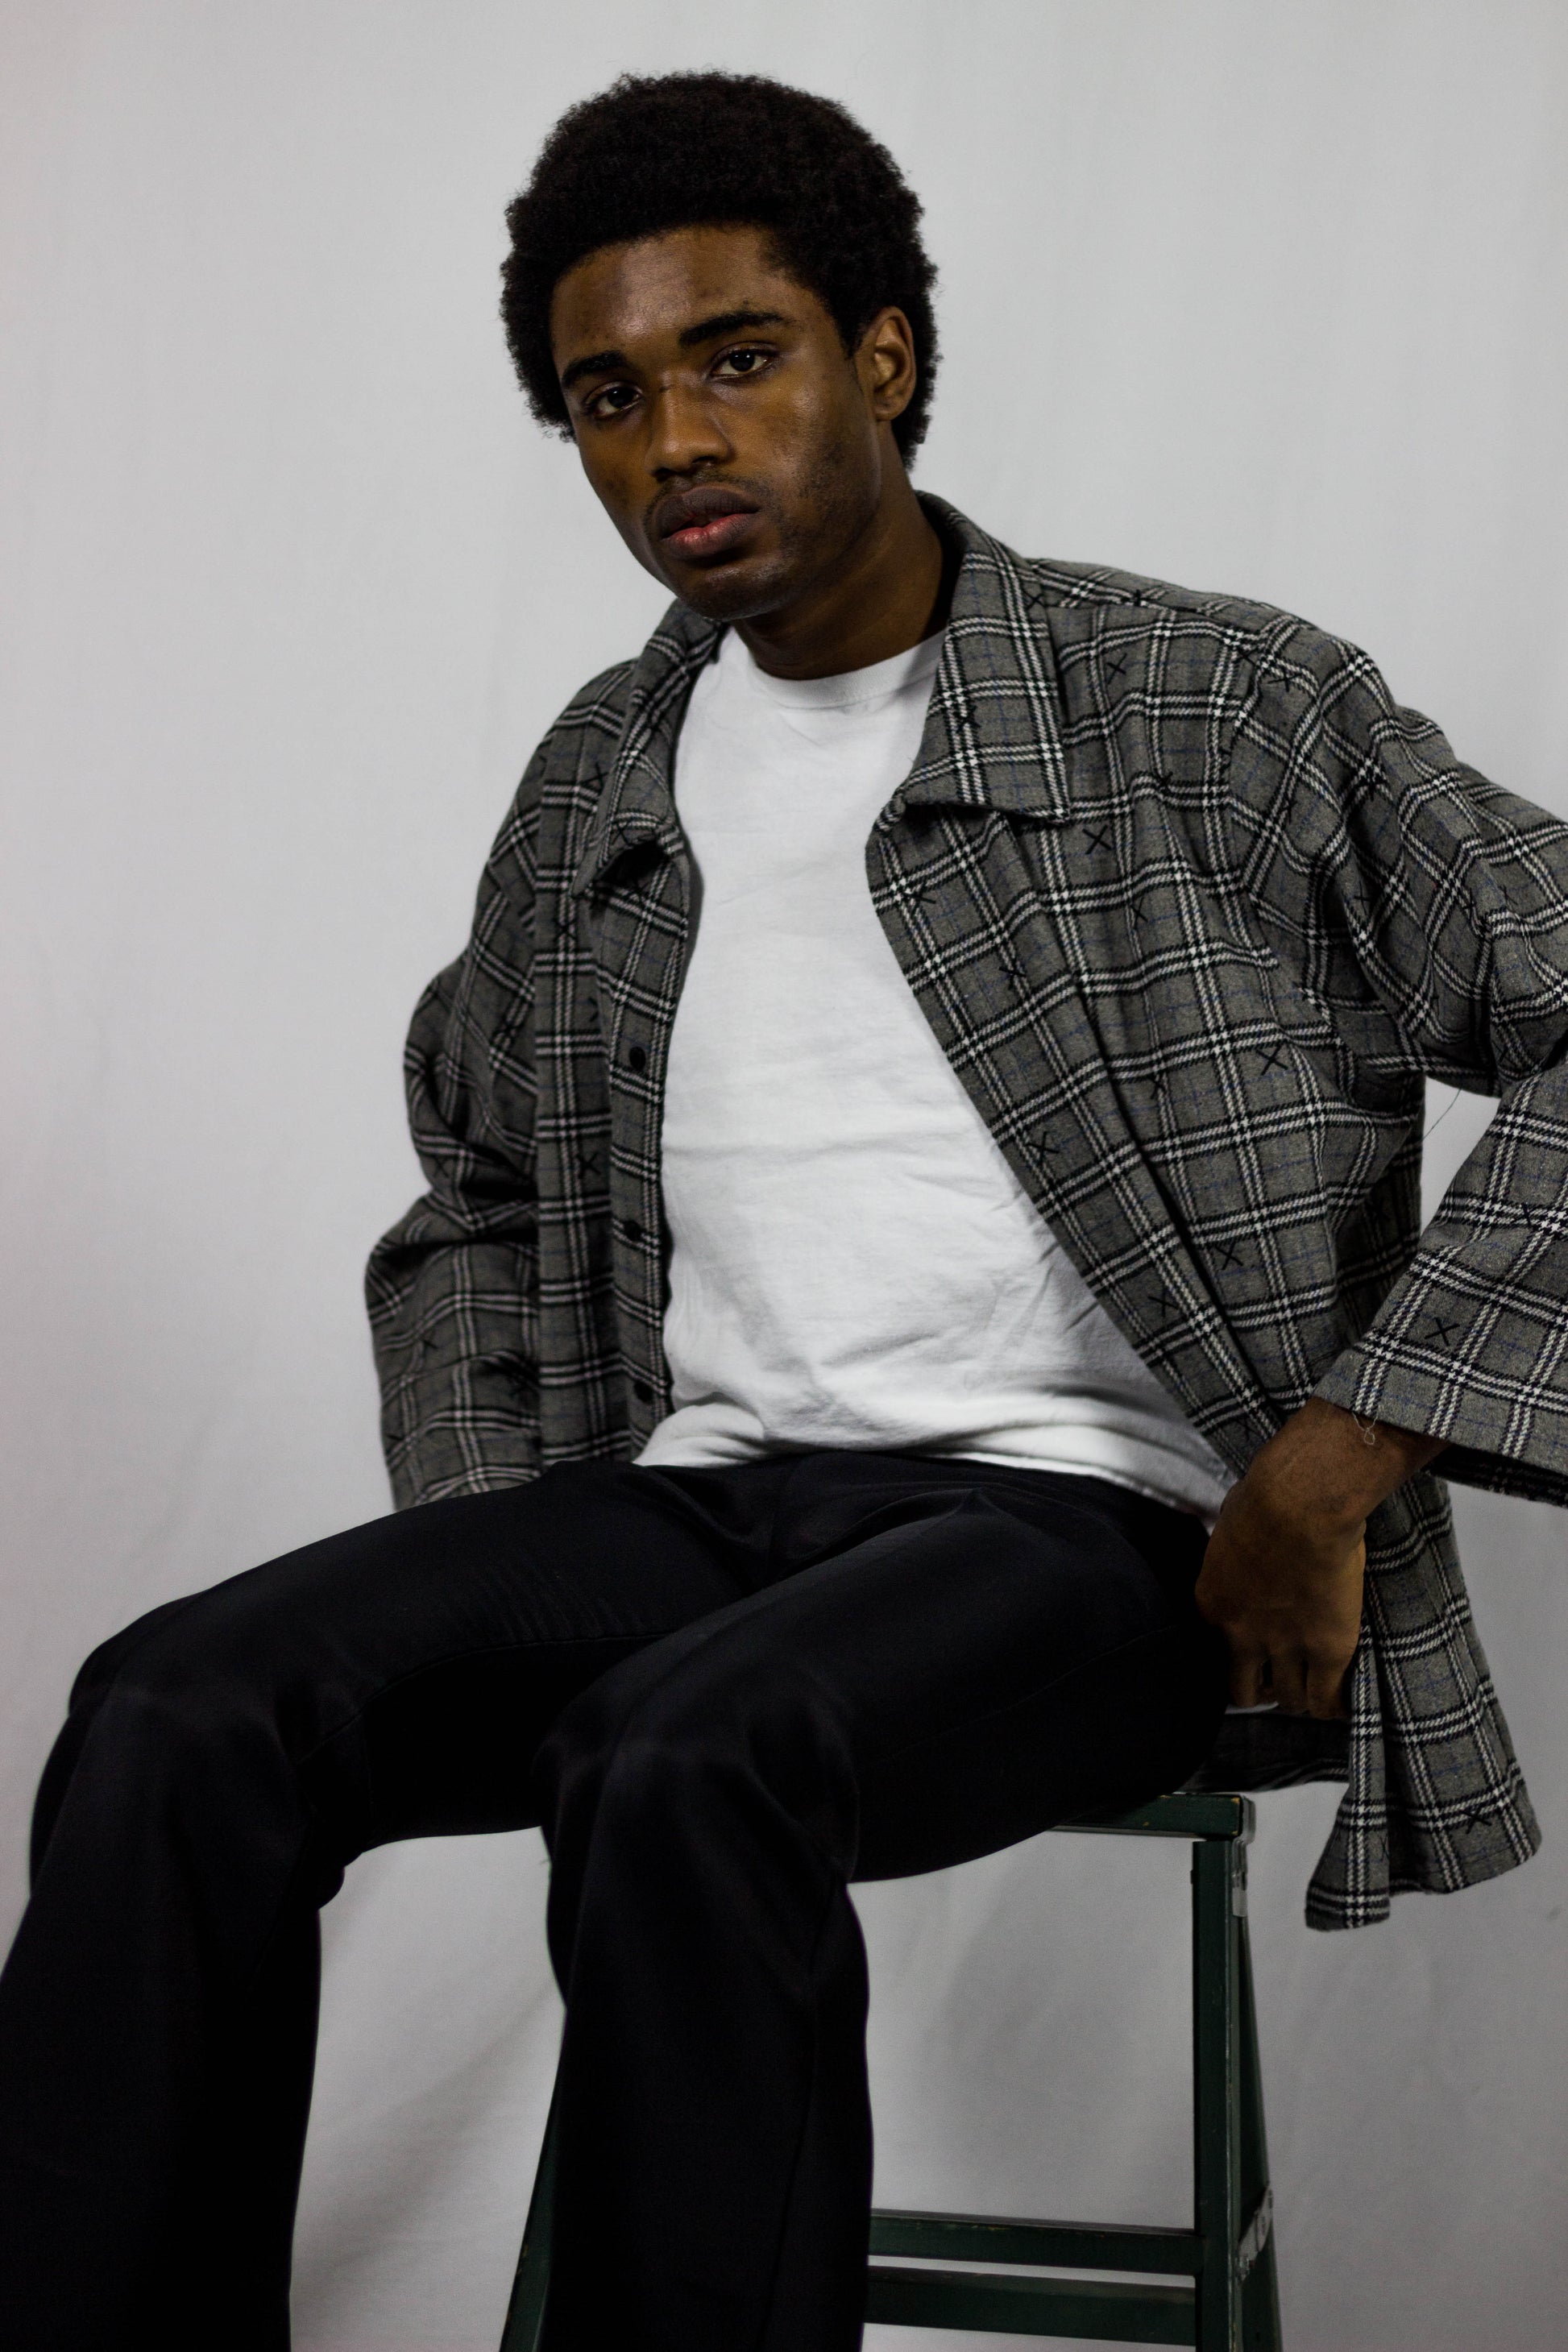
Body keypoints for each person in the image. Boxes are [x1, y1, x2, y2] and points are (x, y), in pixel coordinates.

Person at [2, 66, 1564, 2352]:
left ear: (883, 357)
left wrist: (1335, 1462)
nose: (673, 443)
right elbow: (481, 1176)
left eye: (736, 358)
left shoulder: (1206, 707)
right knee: (170, 1712)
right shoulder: (604, 773)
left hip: (1090, 1537)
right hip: (711, 1502)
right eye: (607, 397)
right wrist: (501, 1536)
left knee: (684, 1759)